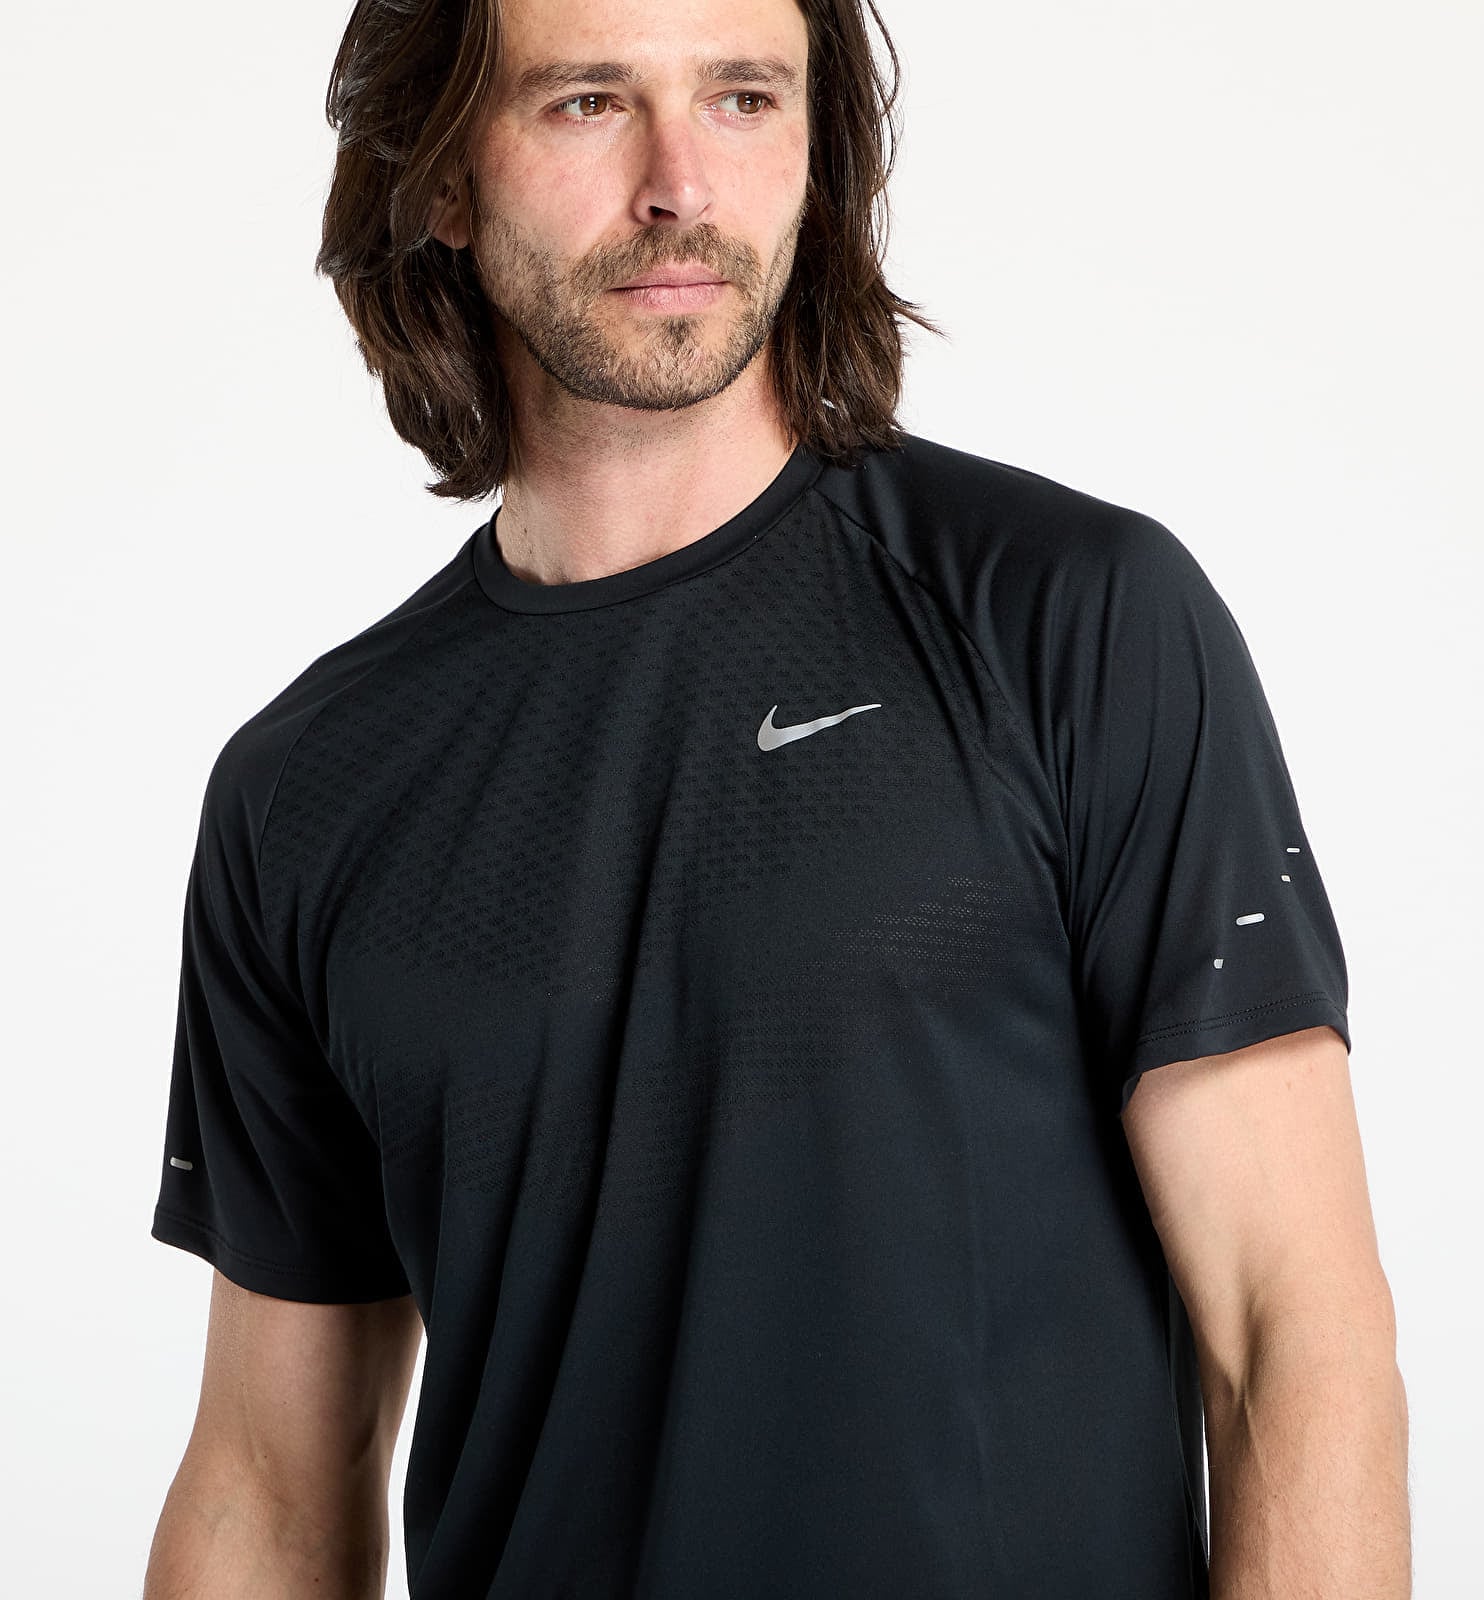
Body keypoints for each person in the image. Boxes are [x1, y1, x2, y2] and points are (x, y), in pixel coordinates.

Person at [145, 0, 1410, 1595]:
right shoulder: (308, 788)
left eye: (744, 97)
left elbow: (1294, 1337)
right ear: (444, 177)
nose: (681, 183)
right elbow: (271, 1481)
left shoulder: (1069, 619)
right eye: (588, 101)